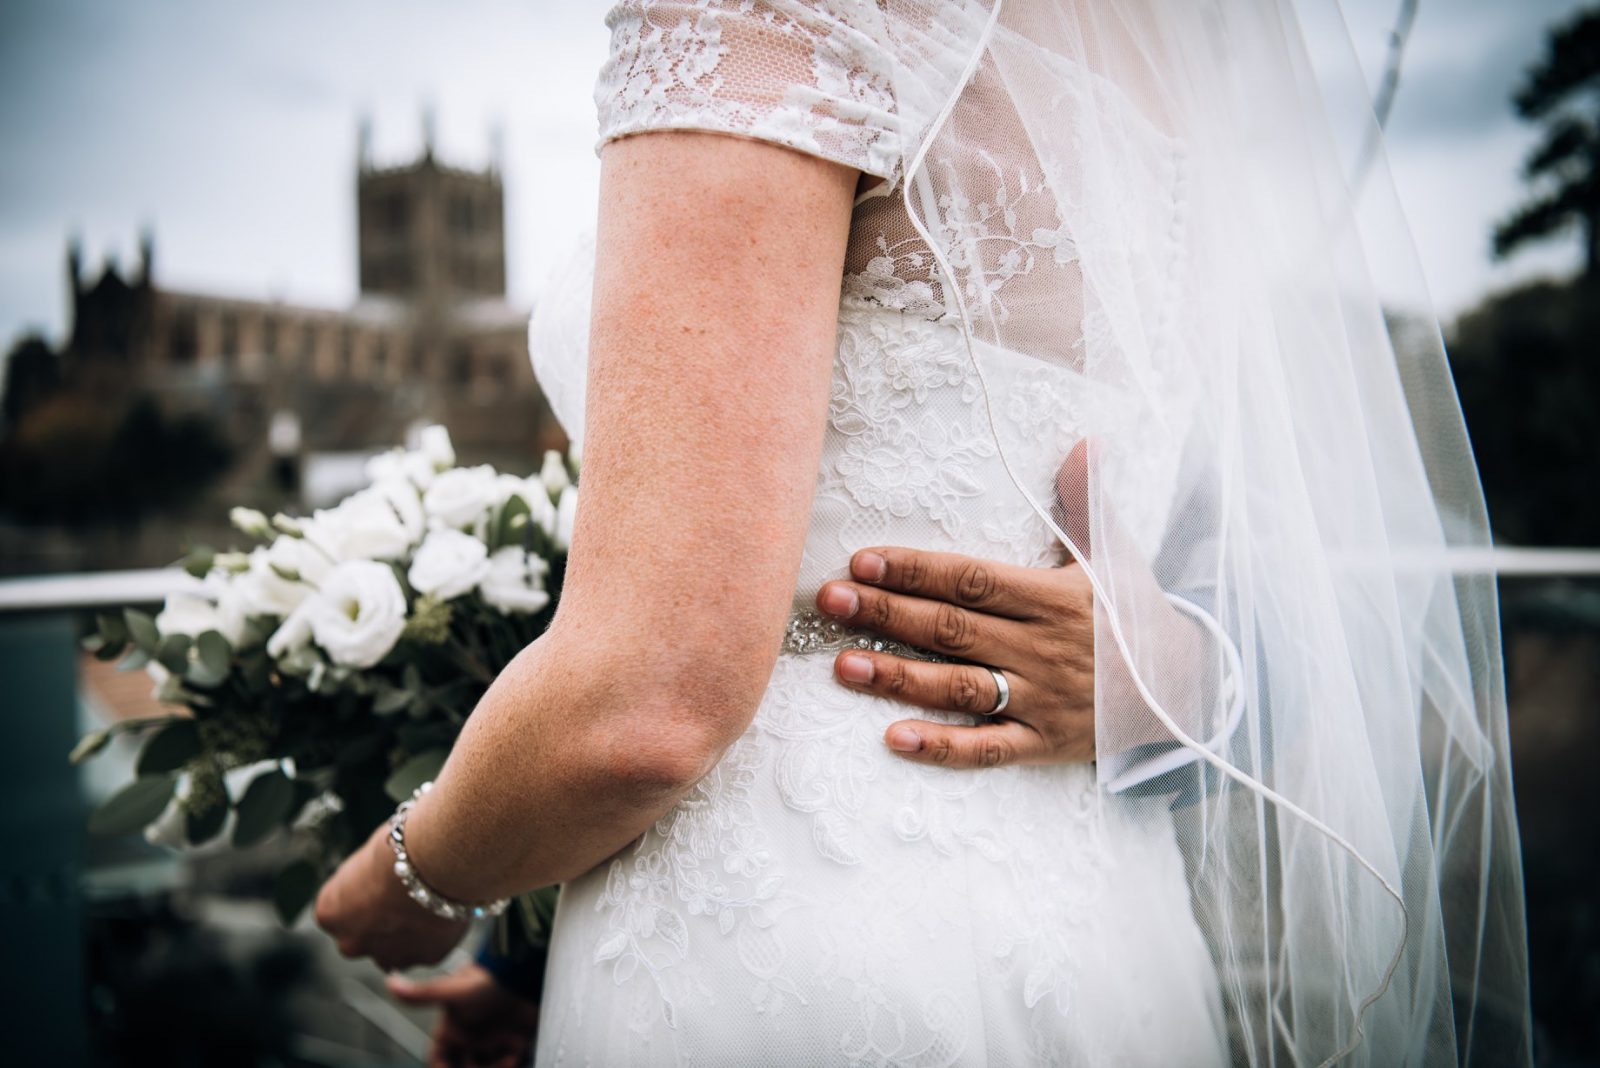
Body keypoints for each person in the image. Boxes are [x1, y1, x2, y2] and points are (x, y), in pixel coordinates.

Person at [317, 1, 1531, 1064]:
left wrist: (419, 876)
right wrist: (1176, 676)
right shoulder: (1172, 38)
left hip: (784, 950)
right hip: (1104, 931)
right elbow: (1238, 561)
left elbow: (650, 706)